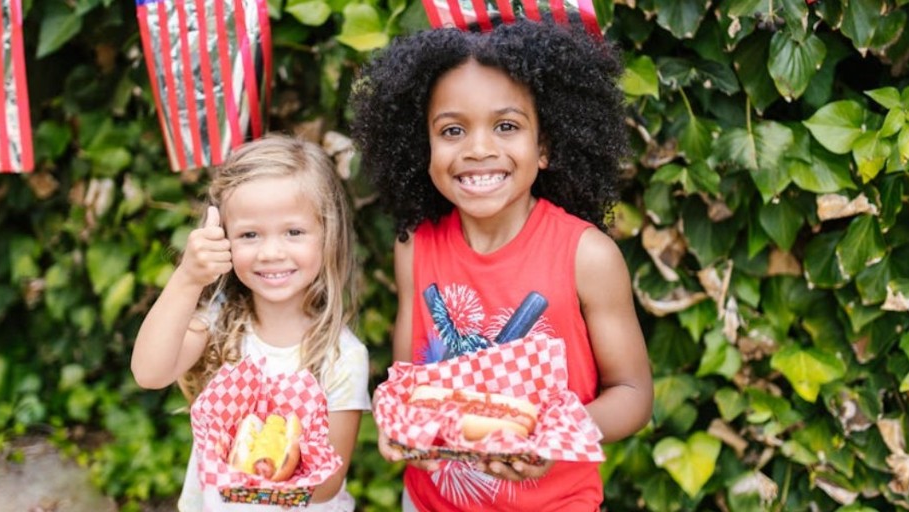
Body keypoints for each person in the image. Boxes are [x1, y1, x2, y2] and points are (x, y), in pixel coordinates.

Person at [349, 15, 653, 512]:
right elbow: (409, 381)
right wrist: (398, 423)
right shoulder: (415, 245)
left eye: (507, 126)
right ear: (422, 148)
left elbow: (633, 392)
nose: (479, 149)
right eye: (452, 130)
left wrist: (553, 438)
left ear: (546, 147)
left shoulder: (587, 256)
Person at [131, 135, 371, 512]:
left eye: (293, 231)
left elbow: (326, 486)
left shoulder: (342, 357)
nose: (271, 252)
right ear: (223, 239)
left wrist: (261, 463)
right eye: (249, 234)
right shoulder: (220, 321)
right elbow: (149, 373)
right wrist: (189, 278)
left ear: (329, 236)